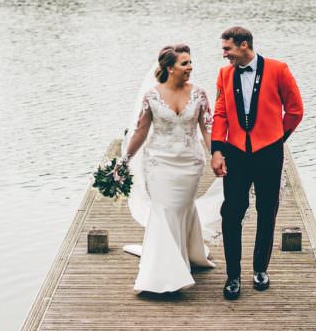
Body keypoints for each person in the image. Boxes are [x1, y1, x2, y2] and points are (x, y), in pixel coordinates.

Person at [211, 26, 303, 300]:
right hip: (236, 153)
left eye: (227, 48)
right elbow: (220, 113)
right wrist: (217, 150)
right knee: (231, 212)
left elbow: (296, 109)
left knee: (267, 211)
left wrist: (277, 137)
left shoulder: (279, 69)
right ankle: (233, 276)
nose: (224, 54)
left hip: (269, 153)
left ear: (243, 45)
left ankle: (260, 269)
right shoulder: (224, 74)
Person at [120, 44, 220, 293]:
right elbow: (140, 132)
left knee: (182, 208)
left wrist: (217, 155)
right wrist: (124, 160)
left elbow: (206, 131)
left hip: (190, 164)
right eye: (184, 63)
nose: (190, 67)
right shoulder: (152, 96)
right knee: (164, 210)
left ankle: (186, 253)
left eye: (190, 62)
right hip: (159, 164)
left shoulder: (199, 95)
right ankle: (164, 272)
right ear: (169, 68)